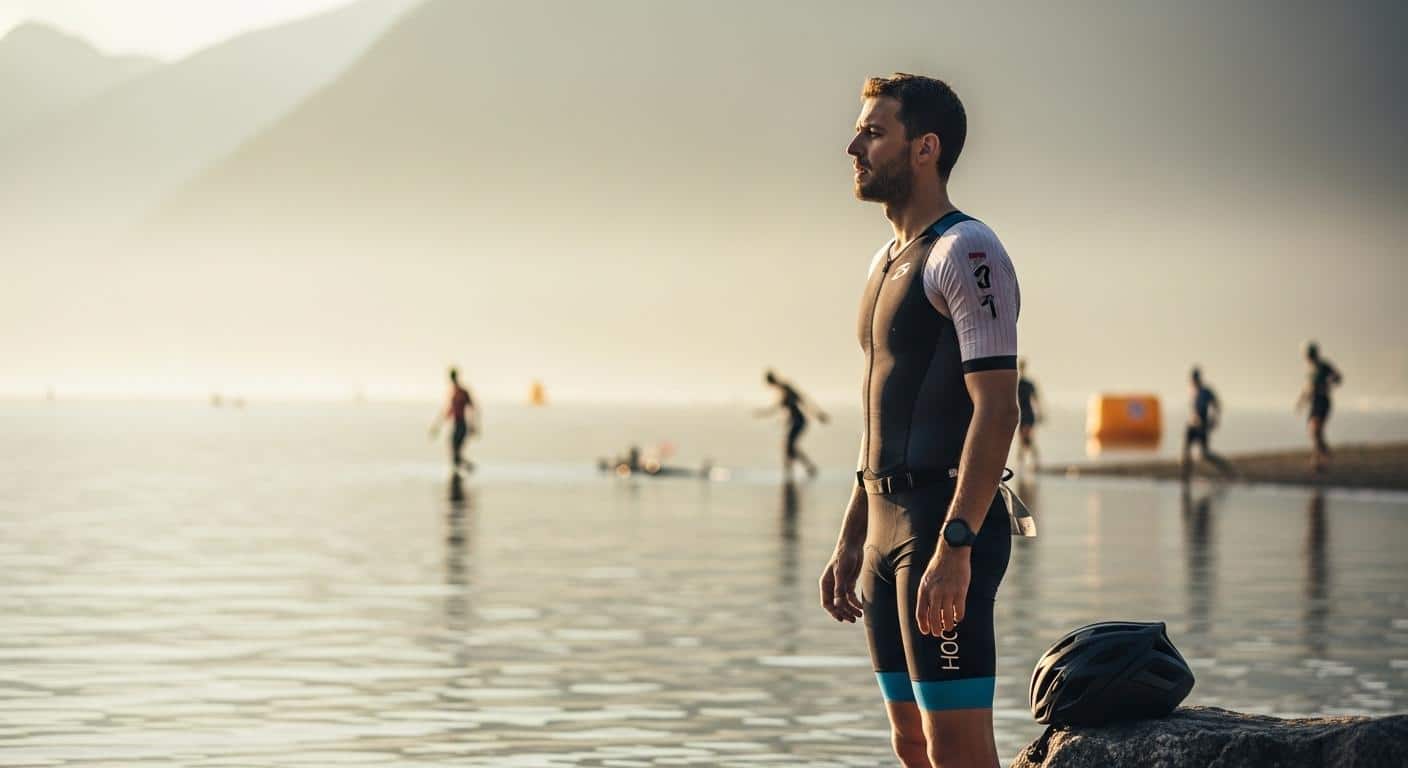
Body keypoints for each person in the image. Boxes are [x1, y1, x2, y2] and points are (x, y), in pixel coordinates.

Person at [819, 73, 1020, 768]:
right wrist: (852, 535)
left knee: (957, 751)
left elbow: (998, 408)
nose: (854, 146)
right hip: (883, 526)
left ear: (925, 148)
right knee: (910, 745)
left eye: (874, 133)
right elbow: (884, 409)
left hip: (944, 521)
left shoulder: (967, 251)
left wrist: (957, 544)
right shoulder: (885, 260)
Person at [756, 370, 829, 479]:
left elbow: (803, 401)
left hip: (799, 421)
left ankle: (802, 469)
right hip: (794, 421)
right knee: (788, 447)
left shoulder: (786, 388)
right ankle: (796, 470)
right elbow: (782, 408)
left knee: (789, 446)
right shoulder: (781, 390)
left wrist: (818, 414)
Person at [1296, 342, 1342, 473]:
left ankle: (1319, 460)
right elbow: (1308, 387)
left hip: (1322, 401)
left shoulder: (1323, 366)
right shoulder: (1311, 370)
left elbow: (1338, 378)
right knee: (1314, 433)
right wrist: (1301, 401)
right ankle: (1322, 457)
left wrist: (1327, 384)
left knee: (1316, 431)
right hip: (1314, 402)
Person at [1181, 367, 1234, 479]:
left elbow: (1217, 405)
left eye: (1195, 378)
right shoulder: (1193, 391)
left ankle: (1225, 467)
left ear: (1198, 378)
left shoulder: (1206, 391)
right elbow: (1193, 410)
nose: (1193, 381)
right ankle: (1186, 476)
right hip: (1192, 425)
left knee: (1205, 454)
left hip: (1202, 426)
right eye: (1193, 378)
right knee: (1186, 450)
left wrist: (1214, 420)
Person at [430, 367, 479, 473]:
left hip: (461, 425)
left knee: (456, 454)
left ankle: (469, 471)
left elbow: (472, 408)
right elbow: (448, 411)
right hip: (457, 424)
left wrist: (473, 425)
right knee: (454, 454)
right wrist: (437, 426)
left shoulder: (461, 392)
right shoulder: (454, 392)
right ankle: (460, 477)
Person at [1016, 358, 1041, 471]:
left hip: (1027, 414)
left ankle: (1034, 463)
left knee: (1027, 438)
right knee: (1023, 440)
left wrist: (1040, 412)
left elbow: (1036, 399)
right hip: (1022, 413)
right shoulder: (1018, 383)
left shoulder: (1025, 384)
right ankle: (1023, 465)